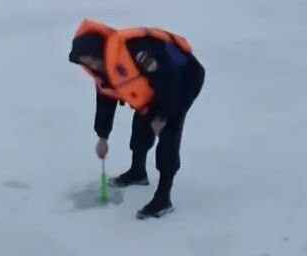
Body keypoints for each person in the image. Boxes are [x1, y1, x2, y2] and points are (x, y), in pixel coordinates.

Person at [68, 20, 205, 220]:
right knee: (142, 122)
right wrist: (103, 136)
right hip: (156, 85)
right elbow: (105, 99)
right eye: (86, 63)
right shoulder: (103, 67)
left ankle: (163, 198)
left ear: (99, 52)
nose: (92, 66)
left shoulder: (138, 52)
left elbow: (169, 81)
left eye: (92, 60)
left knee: (168, 131)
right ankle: (137, 172)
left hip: (183, 80)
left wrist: (161, 116)